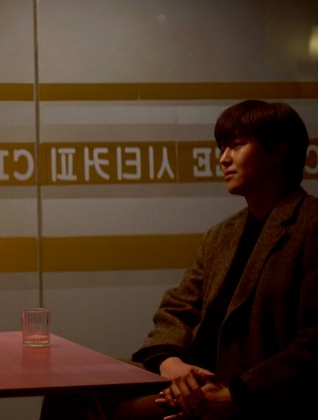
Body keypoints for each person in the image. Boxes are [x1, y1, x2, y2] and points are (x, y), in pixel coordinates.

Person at [41, 99, 318, 419]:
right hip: (192, 379)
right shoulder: (222, 234)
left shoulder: (310, 224)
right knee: (70, 385)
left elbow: (312, 345)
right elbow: (176, 309)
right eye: (222, 148)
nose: (223, 159)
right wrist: (169, 361)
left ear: (278, 151)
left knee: (127, 413)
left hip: (250, 392)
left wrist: (238, 396)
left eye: (237, 145)